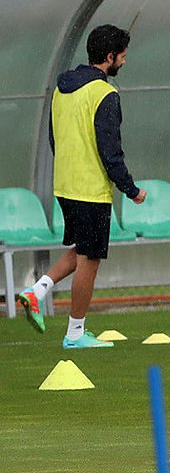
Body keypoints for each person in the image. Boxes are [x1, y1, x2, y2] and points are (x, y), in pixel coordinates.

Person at [15, 24, 147, 348]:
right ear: (109, 57)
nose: (124, 62)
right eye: (122, 56)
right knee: (90, 259)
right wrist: (131, 190)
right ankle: (75, 333)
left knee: (83, 249)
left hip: (65, 185)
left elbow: (54, 137)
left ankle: (37, 291)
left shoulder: (61, 89)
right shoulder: (105, 94)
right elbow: (110, 151)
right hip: (90, 189)